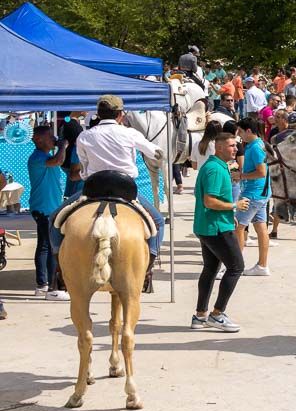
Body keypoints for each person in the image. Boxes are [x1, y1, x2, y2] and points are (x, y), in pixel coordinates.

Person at [53, 96, 166, 289]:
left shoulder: (85, 136)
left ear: (98, 113)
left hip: (93, 189)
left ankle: (60, 266)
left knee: (54, 219)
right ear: (121, 114)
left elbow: (84, 169)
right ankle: (148, 265)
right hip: (126, 190)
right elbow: (155, 152)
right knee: (158, 221)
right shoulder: (130, 133)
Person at [191, 132, 246, 332]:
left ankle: (200, 315)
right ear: (219, 147)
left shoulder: (218, 166)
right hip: (216, 228)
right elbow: (209, 201)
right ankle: (217, 314)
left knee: (211, 269)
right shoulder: (215, 169)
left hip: (208, 226)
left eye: (235, 145)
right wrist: (234, 205)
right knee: (236, 267)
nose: (235, 149)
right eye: (231, 146)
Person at [28, 125, 68, 300]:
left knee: (44, 246)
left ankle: (42, 285)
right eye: (50, 136)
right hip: (44, 209)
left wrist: (62, 148)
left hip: (47, 208)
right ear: (39, 140)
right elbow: (58, 161)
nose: (53, 139)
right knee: (51, 247)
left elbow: (60, 160)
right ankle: (51, 288)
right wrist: (63, 146)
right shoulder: (37, 158)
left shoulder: (46, 156)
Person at [234, 117, 272, 277]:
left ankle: (234, 266)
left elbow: (261, 172)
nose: (239, 135)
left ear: (249, 131)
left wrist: (240, 176)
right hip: (261, 193)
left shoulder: (255, 147)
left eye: (240, 132)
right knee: (260, 227)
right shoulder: (258, 144)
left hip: (253, 193)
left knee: (238, 227)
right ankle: (262, 266)